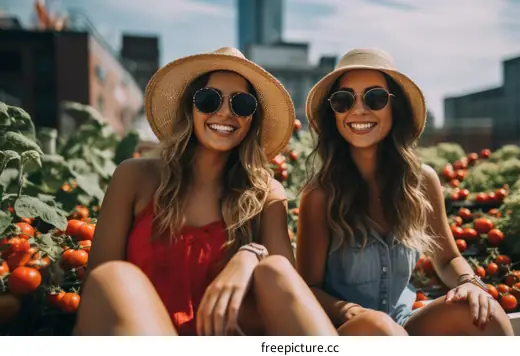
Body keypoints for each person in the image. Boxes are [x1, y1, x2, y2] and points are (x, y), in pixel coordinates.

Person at [74, 47, 337, 337]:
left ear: (252, 119)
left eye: (242, 104)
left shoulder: (265, 194)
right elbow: (97, 289)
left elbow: (287, 289)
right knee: (114, 275)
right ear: (190, 108)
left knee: (274, 268)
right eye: (209, 100)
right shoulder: (134, 177)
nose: (224, 112)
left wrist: (250, 255)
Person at [296, 48, 515, 336]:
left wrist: (470, 283)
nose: (358, 109)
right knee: (380, 329)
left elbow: (446, 259)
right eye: (343, 100)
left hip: (403, 323)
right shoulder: (320, 195)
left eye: (375, 98)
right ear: (333, 114)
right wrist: (346, 310)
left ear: (394, 108)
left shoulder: (421, 181)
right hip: (347, 329)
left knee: (487, 313)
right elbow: (307, 288)